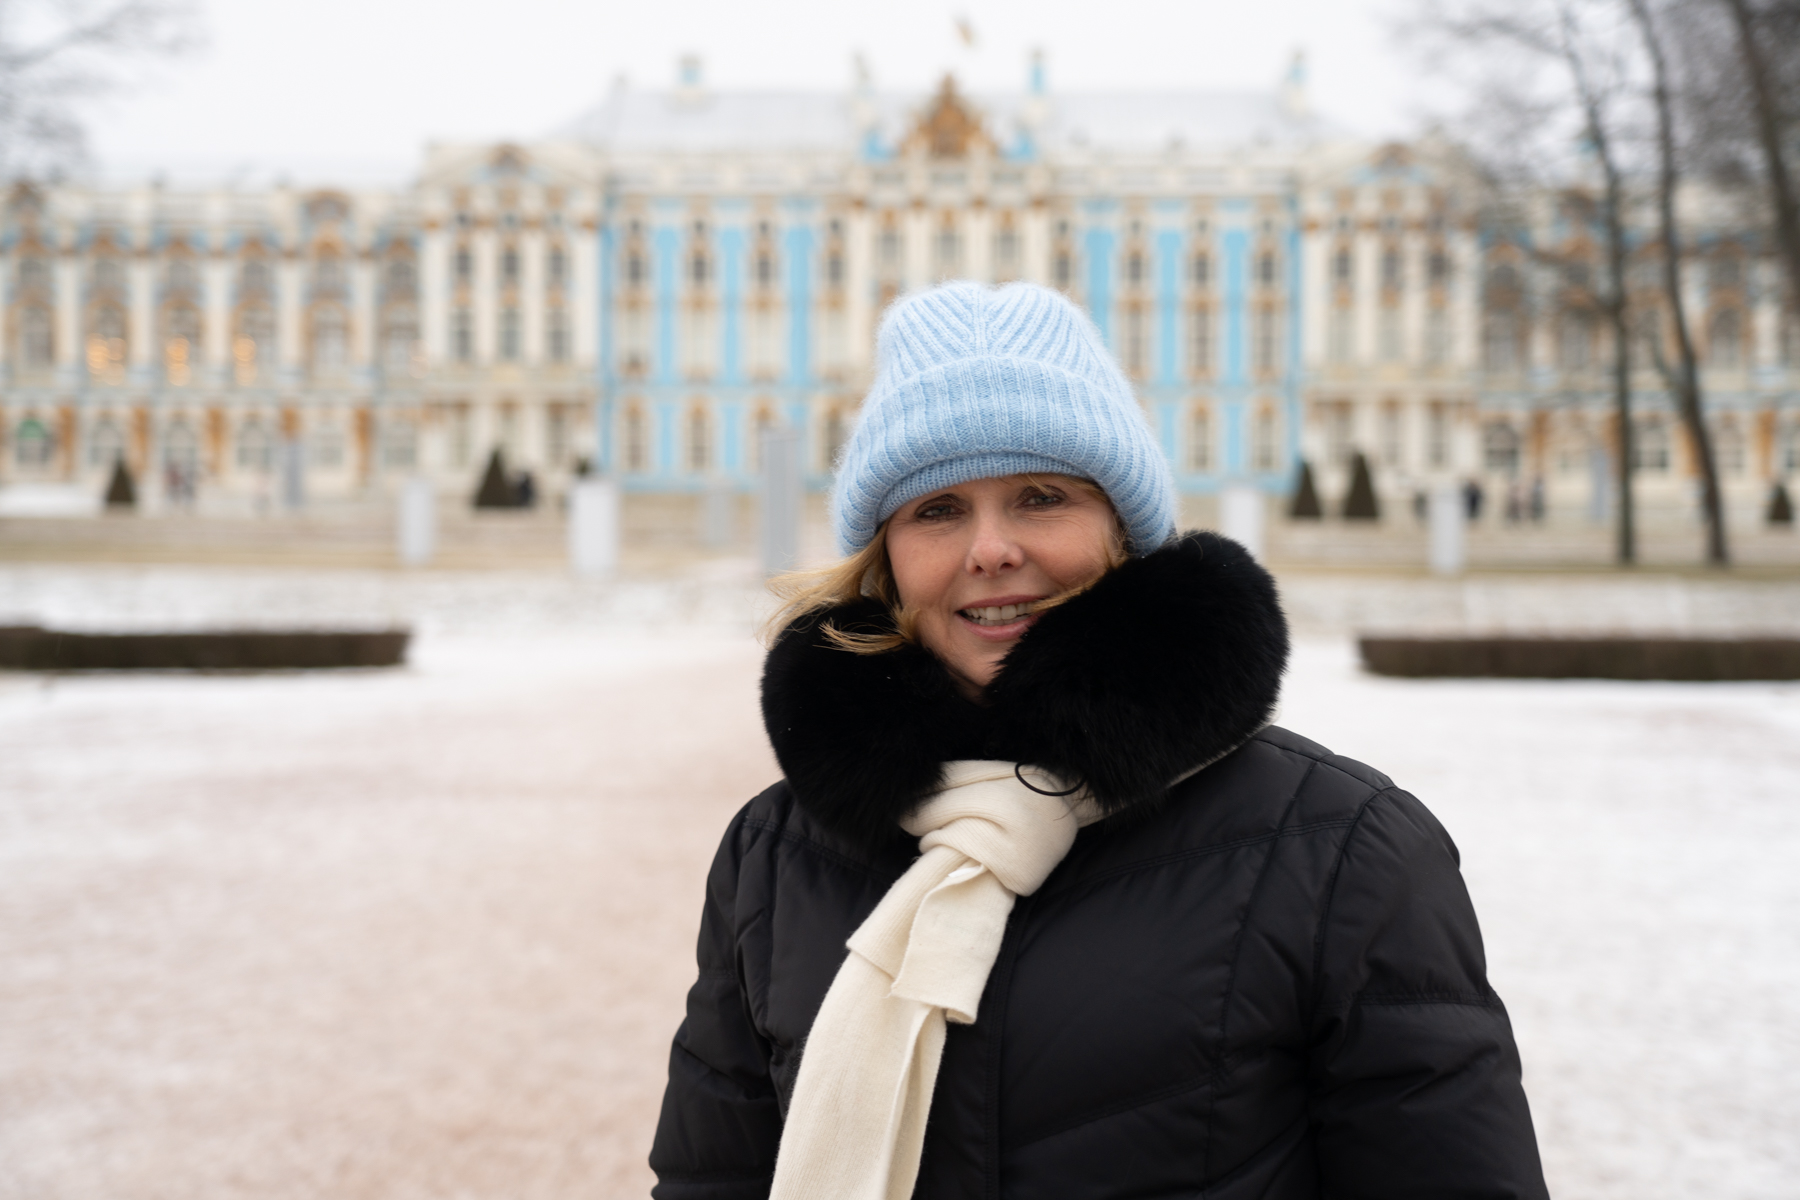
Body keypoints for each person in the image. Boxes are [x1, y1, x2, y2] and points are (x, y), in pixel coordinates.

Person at [650, 282, 1548, 1200]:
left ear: (1122, 533)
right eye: (937, 510)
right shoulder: (774, 853)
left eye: (1040, 497)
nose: (990, 548)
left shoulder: (1342, 848)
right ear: (886, 558)